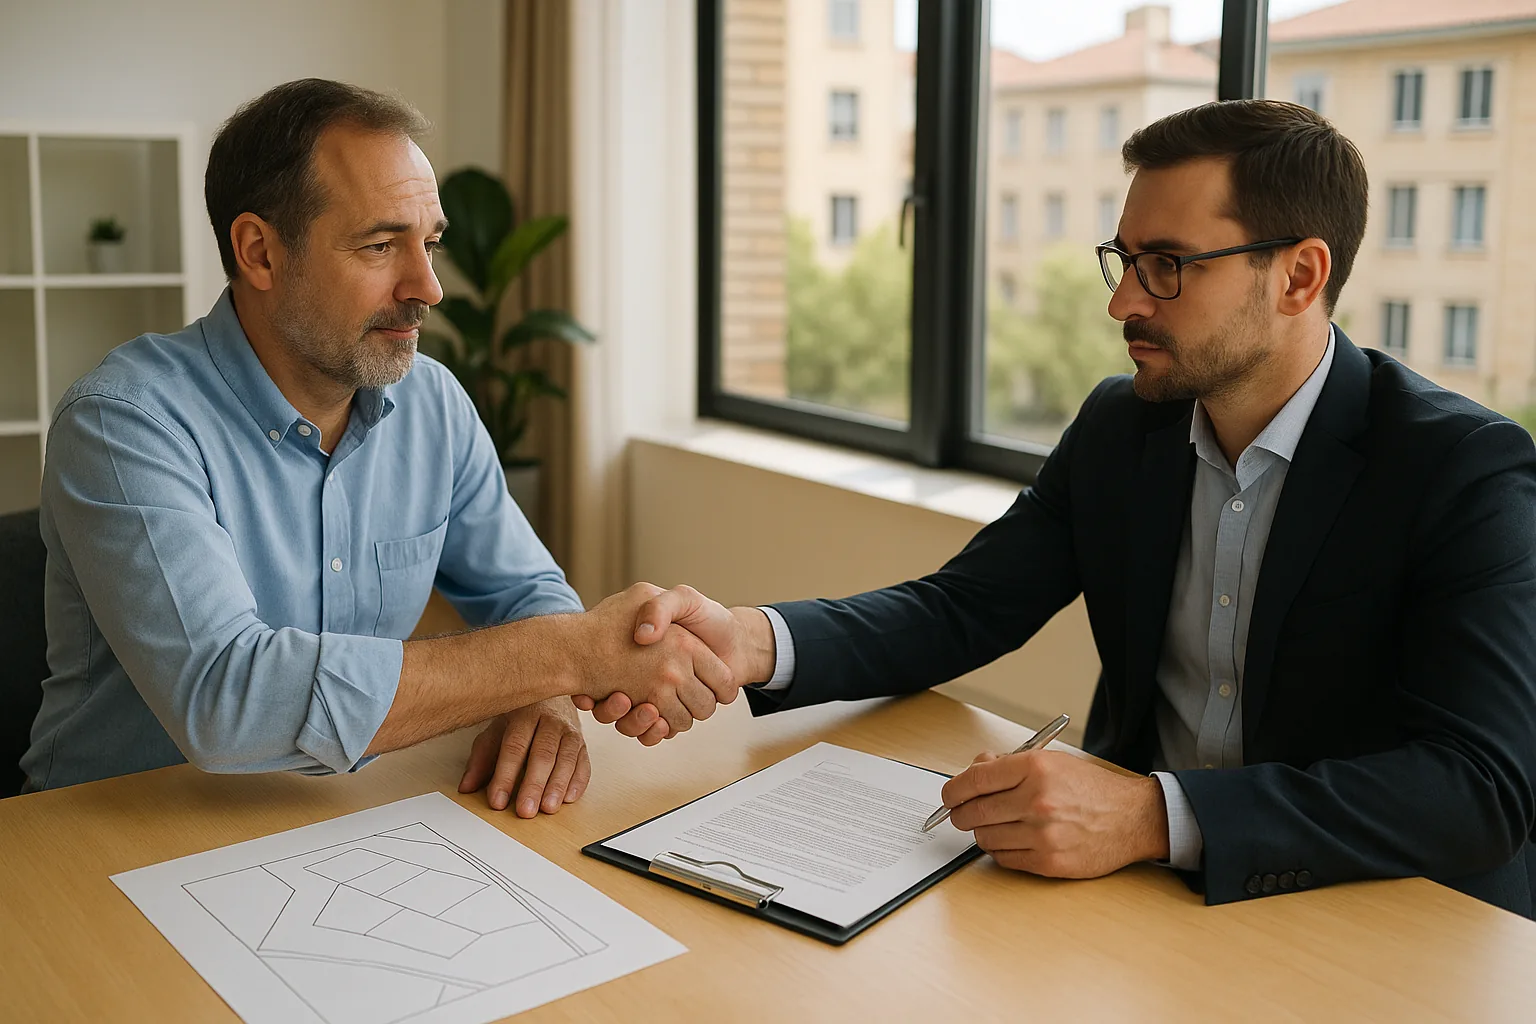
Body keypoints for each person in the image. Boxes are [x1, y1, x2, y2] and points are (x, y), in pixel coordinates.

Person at [596, 100, 1536, 915]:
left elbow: (1478, 789)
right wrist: (751, 640)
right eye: (1124, 259)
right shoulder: (1125, 427)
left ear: (1298, 276)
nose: (1125, 299)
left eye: (1168, 265)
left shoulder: (1463, 470)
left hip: (1369, 913)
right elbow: (964, 607)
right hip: (1126, 896)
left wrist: (1147, 815)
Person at [22, 79, 737, 814]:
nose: (427, 285)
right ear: (260, 253)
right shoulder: (123, 421)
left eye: (429, 243)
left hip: (348, 818)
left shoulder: (432, 403)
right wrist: (569, 654)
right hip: (109, 836)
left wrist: (545, 700)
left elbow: (527, 595)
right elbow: (227, 700)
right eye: (380, 245)